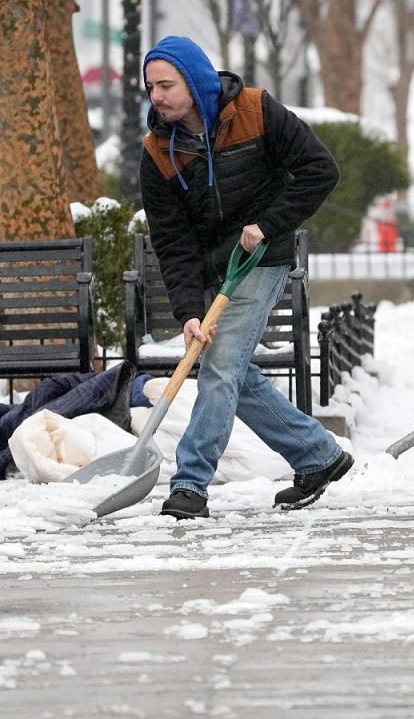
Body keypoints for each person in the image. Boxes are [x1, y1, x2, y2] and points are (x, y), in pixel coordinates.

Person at [139, 35, 352, 519]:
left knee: (218, 368)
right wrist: (190, 312)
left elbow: (321, 171)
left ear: (193, 81)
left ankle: (190, 483)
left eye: (166, 85)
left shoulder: (256, 110)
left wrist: (269, 223)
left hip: (260, 259)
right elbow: (173, 243)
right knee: (233, 370)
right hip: (212, 270)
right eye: (150, 87)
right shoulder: (158, 152)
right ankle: (319, 455)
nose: (156, 96)